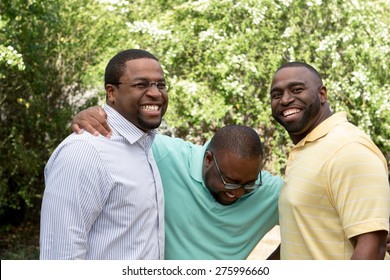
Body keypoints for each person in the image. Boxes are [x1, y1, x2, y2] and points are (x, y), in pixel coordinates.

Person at [72, 109, 282, 259]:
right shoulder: (164, 154)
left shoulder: (269, 192)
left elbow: (313, 222)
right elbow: (109, 141)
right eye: (230, 182)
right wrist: (88, 118)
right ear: (208, 159)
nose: (237, 192)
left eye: (248, 185)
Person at [40, 49, 168, 259]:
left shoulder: (148, 146)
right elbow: (60, 256)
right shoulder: (84, 152)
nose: (155, 93)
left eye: (160, 84)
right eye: (141, 84)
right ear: (111, 93)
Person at [270, 61, 390, 259]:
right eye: (276, 94)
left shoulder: (349, 150)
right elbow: (304, 233)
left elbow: (372, 249)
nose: (285, 99)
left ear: (322, 94)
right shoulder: (309, 148)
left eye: (297, 89)